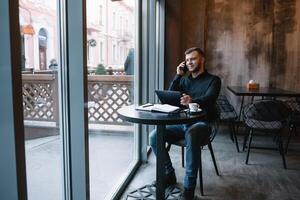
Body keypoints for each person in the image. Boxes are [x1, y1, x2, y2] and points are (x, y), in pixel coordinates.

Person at [149, 47, 221, 199]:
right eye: (187, 60)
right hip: (182, 124)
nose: (189, 62)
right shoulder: (184, 80)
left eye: (193, 59)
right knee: (154, 136)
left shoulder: (213, 80)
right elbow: (169, 95)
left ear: (202, 59)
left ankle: (189, 188)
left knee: (192, 133)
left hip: (202, 124)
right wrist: (178, 75)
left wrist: (192, 101)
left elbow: (210, 99)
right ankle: (169, 174)